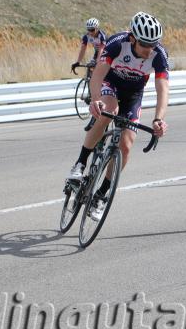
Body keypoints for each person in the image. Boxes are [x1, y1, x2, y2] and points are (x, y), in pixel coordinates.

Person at [66, 12, 169, 220]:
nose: (149, 50)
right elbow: (97, 76)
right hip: (110, 84)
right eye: (144, 44)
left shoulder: (159, 54)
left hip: (133, 94)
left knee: (127, 144)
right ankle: (81, 163)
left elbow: (163, 89)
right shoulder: (116, 43)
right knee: (108, 111)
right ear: (132, 38)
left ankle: (101, 195)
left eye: (153, 44)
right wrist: (95, 100)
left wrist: (158, 119)